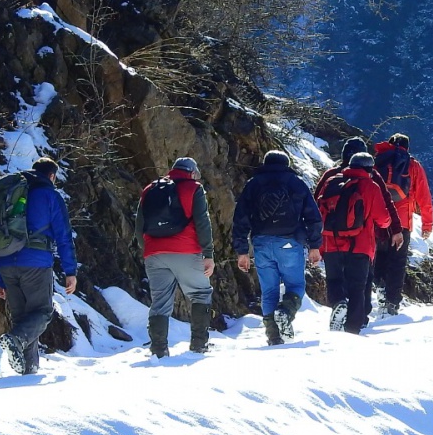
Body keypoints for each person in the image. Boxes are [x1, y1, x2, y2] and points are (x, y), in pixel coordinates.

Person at [0, 156, 77, 375]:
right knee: (43, 312)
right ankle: (15, 340)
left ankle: (28, 372)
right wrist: (70, 271)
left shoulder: (9, 194)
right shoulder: (49, 195)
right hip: (35, 263)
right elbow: (64, 235)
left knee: (23, 320)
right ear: (51, 175)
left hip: (5, 262)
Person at [233, 150, 323, 345]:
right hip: (289, 242)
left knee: (269, 292)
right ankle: (285, 311)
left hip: (261, 243)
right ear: (286, 163)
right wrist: (315, 245)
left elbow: (240, 218)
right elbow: (313, 217)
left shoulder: (253, 184)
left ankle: (274, 337)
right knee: (296, 286)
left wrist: (242, 251)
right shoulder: (296, 183)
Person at [315, 136, 403, 325]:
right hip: (361, 241)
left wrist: (313, 239)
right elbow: (386, 205)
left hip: (332, 240)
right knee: (360, 282)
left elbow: (316, 205)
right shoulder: (371, 179)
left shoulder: (331, 176)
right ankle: (358, 320)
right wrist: (394, 229)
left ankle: (339, 303)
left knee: (335, 279)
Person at [136, 157, 216, 357]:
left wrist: (148, 249)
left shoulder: (150, 189)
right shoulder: (193, 188)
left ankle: (158, 349)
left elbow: (139, 225)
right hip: (186, 251)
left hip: (154, 253)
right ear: (192, 172)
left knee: (160, 302)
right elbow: (202, 223)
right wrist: (208, 253)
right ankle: (199, 345)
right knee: (200, 293)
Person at [371, 133, 433, 316]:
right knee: (397, 262)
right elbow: (424, 196)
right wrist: (427, 223)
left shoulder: (378, 161)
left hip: (378, 219)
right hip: (402, 222)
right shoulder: (412, 165)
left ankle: (380, 287)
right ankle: (392, 302)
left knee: (378, 257)